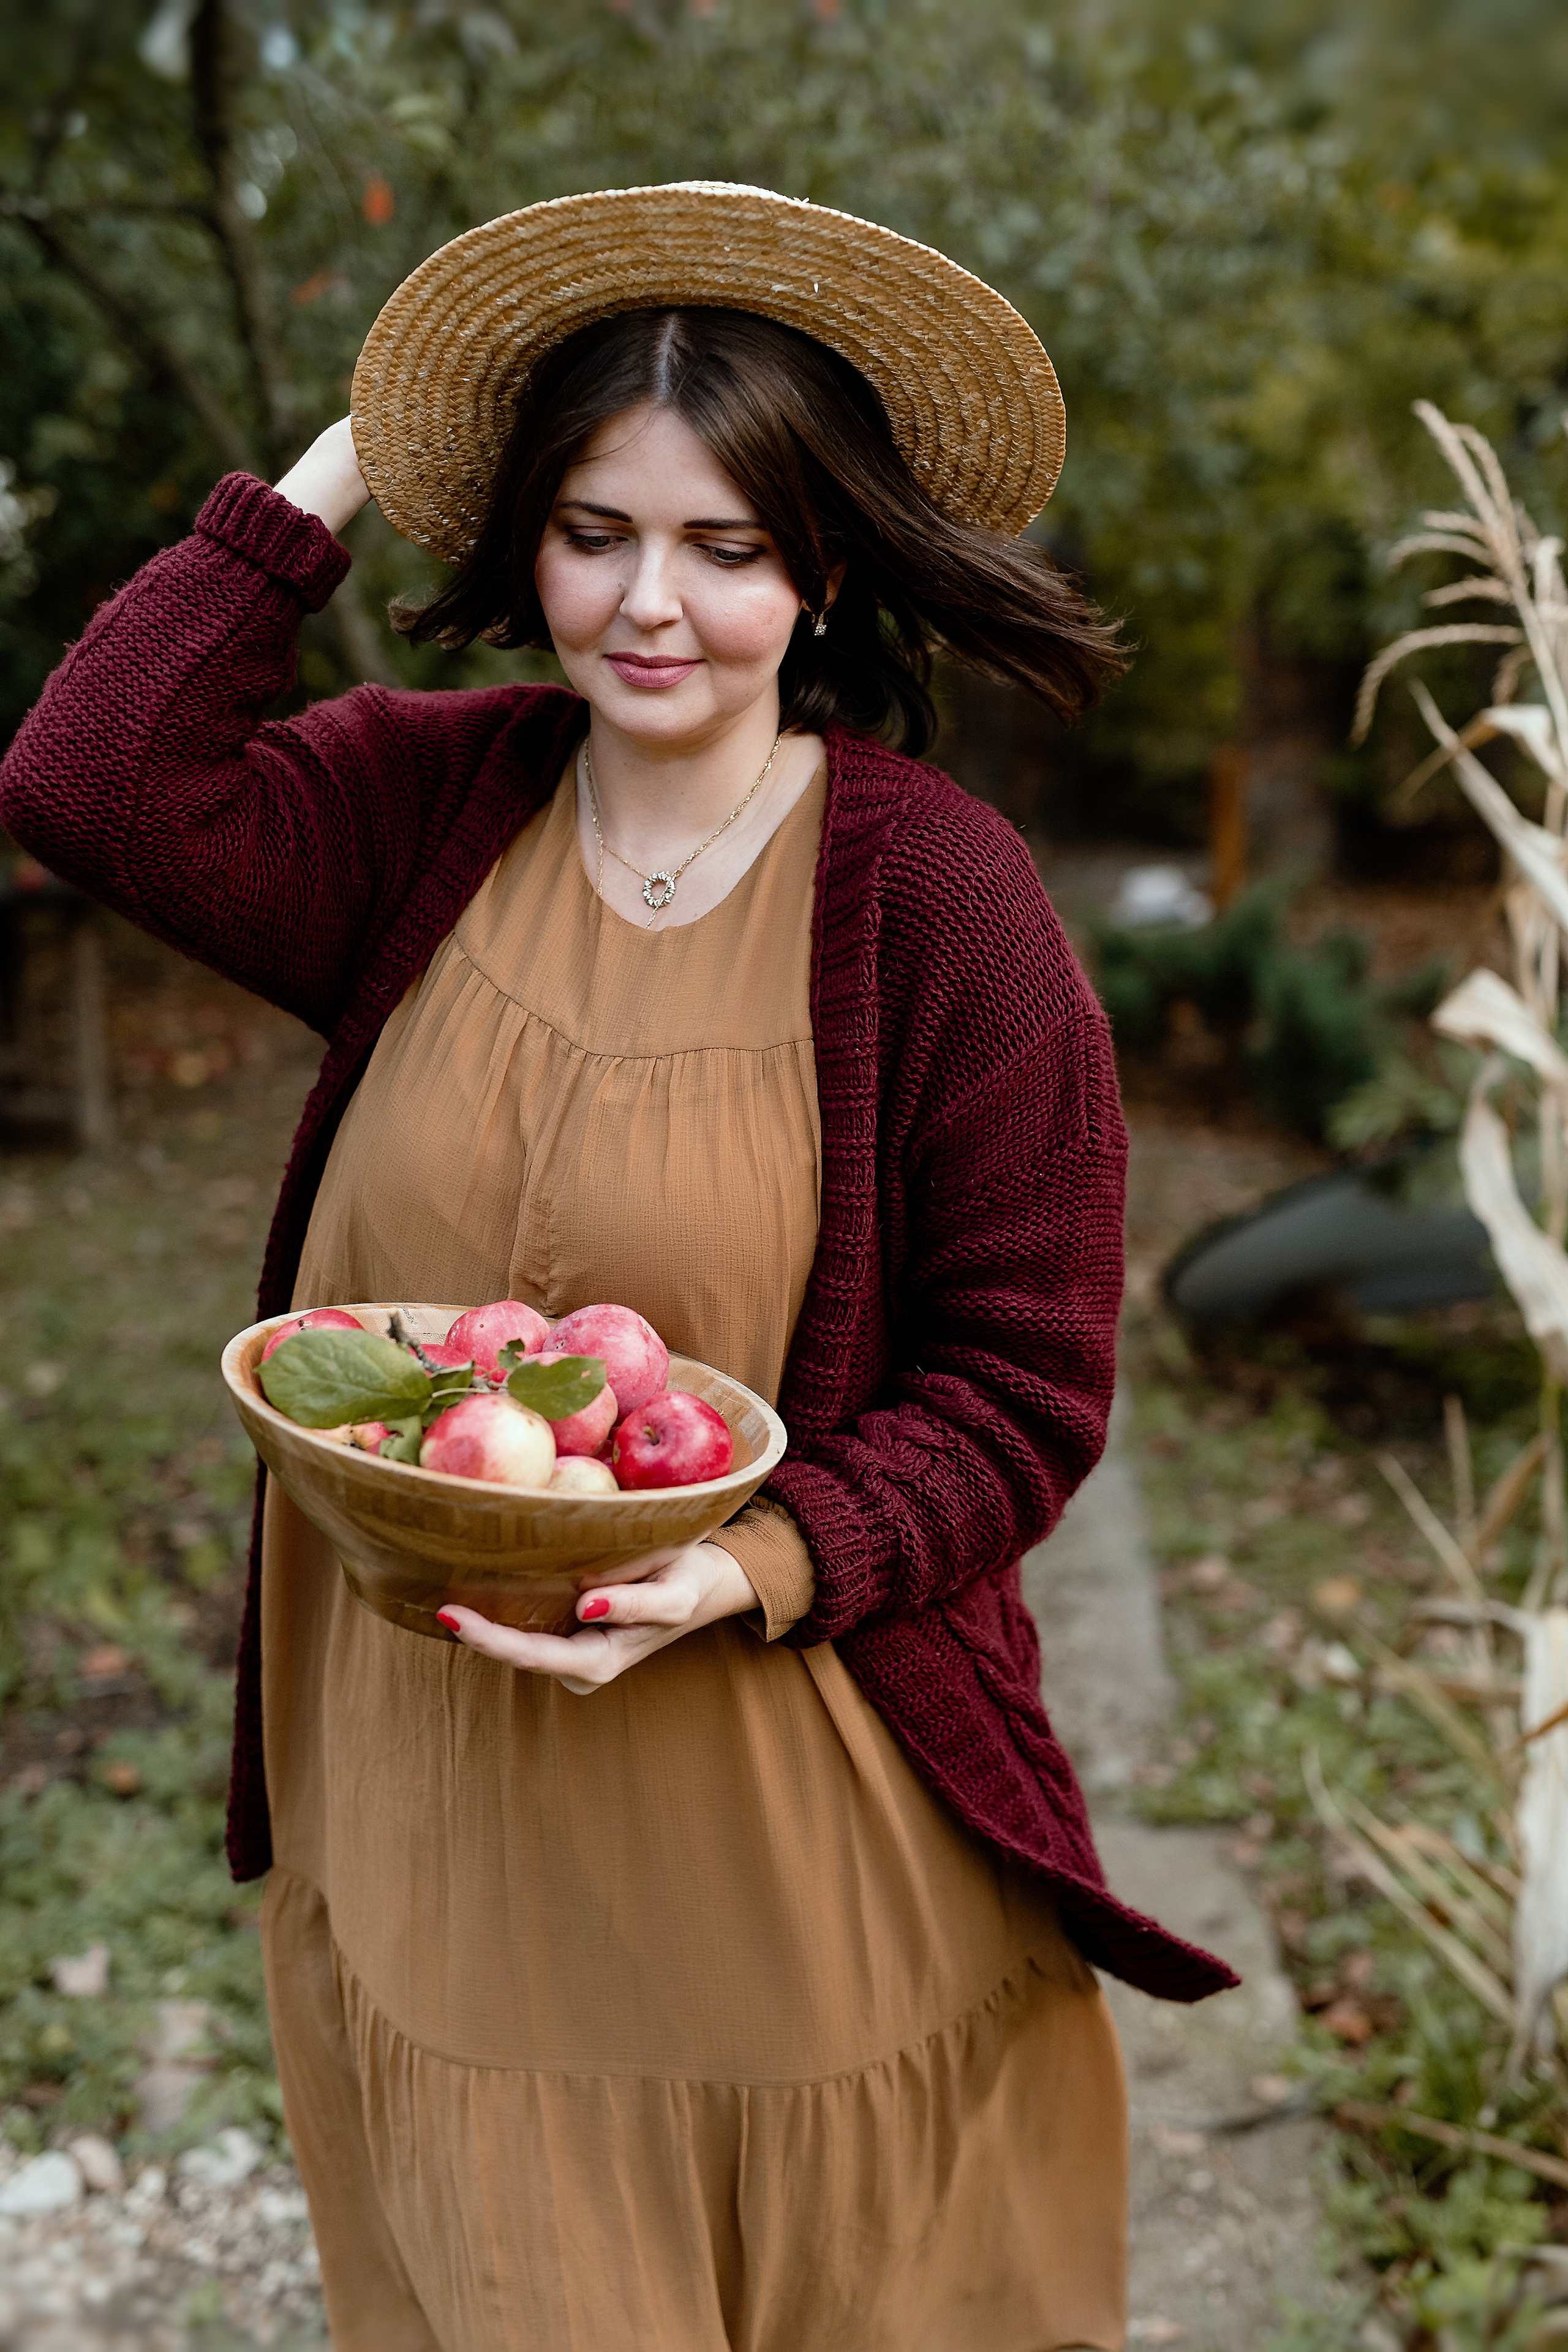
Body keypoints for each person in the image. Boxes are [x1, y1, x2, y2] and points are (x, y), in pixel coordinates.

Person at [1, 183, 1233, 2352]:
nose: (649, 605)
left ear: (825, 564)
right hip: (429, 1801)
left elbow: (1028, 1392)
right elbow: (86, 780)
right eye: (592, 531)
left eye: (727, 548)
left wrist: (743, 1569)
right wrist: (349, 459)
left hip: (775, 1809)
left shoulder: (939, 902)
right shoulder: (423, 809)